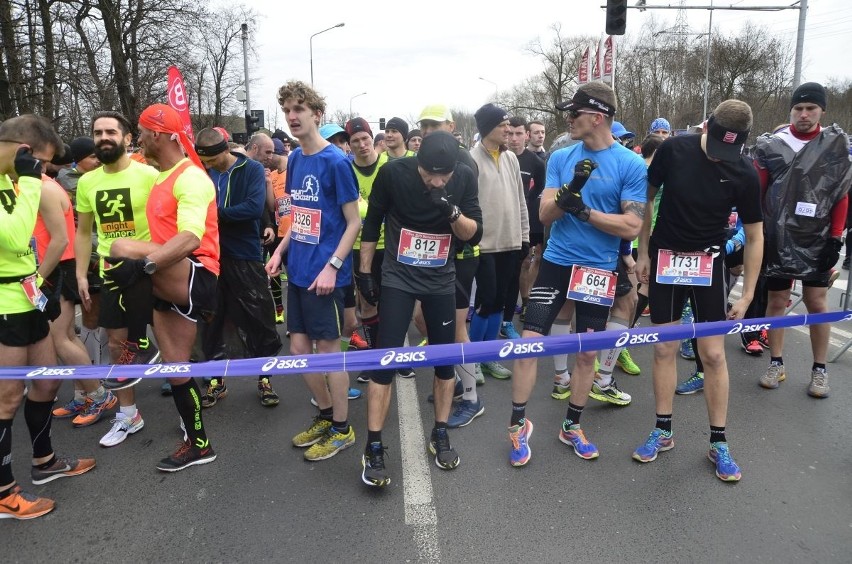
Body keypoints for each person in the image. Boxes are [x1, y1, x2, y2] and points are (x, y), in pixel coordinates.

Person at [508, 82, 646, 467]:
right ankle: (517, 426)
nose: (567, 119)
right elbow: (545, 214)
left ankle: (572, 425)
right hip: (556, 262)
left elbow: (631, 226)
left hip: (597, 270)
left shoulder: (631, 164)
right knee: (528, 343)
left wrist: (586, 212)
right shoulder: (561, 157)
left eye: (574, 113)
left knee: (586, 356)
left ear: (597, 117)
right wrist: (570, 193)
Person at [635, 99, 764, 482]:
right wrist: (642, 251)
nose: (720, 158)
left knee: (713, 354)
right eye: (717, 148)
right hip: (666, 258)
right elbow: (647, 196)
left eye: (731, 151)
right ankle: (663, 429)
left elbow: (755, 236)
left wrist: (746, 294)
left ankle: (718, 442)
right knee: (664, 347)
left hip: (709, 263)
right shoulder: (674, 149)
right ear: (705, 126)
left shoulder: (744, 171)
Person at [357, 130, 482, 487]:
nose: (436, 181)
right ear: (418, 161)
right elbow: (373, 222)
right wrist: (366, 272)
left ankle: (440, 432)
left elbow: (474, 233)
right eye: (430, 174)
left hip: (441, 280)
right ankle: (374, 445)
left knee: (444, 363)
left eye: (444, 176)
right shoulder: (394, 173)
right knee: (386, 362)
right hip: (398, 276)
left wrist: (451, 210)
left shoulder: (465, 176)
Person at [103, 103, 219, 471]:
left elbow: (188, 237)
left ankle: (135, 345)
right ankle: (199, 444)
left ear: (156, 134)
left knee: (120, 248)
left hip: (196, 273)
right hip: (170, 279)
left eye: (141, 132)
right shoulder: (159, 176)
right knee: (177, 369)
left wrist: (143, 265)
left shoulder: (191, 177)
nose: (138, 140)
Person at [0, 115, 96, 520]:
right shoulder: (22, 179)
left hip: (26, 293)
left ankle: (44, 461)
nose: (43, 171)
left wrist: (38, 281)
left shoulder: (11, 178)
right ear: (24, 151)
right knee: (7, 397)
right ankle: (4, 493)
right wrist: (33, 182)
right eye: (40, 162)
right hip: (3, 301)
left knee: (46, 381)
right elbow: (15, 235)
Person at [265, 80, 361, 462]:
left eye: (299, 110)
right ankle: (324, 415)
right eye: (287, 110)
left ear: (316, 114)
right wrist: (280, 251)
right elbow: (302, 219)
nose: (292, 117)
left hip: (327, 276)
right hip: (299, 272)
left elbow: (353, 223)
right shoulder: (296, 160)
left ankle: (342, 428)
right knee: (299, 349)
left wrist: (332, 268)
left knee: (327, 350)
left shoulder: (336, 162)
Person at [72, 111, 160, 447]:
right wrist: (81, 273)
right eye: (98, 132)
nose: (103, 137)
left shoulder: (149, 175)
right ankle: (129, 415)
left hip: (151, 266)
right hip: (111, 271)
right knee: (116, 344)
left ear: (127, 138)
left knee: (171, 342)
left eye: (111, 131)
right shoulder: (87, 182)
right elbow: (83, 232)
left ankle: (187, 411)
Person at [757, 82, 851, 398]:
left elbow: (841, 195)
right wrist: (759, 235)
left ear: (822, 110)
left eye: (811, 108)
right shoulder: (773, 145)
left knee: (817, 302)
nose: (804, 114)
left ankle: (819, 369)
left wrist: (836, 239)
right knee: (777, 301)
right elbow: (760, 191)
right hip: (780, 238)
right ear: (791, 111)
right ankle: (776, 362)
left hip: (818, 239)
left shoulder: (834, 145)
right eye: (798, 108)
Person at [194, 128, 283, 408]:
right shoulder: (202, 172)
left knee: (258, 317)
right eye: (203, 162)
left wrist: (211, 216)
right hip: (208, 256)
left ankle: (265, 378)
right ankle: (215, 380)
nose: (206, 166)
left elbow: (253, 208)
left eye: (210, 160)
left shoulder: (251, 169)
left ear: (223, 151)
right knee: (210, 320)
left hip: (244, 255)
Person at [469, 104, 529, 380]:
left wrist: (525, 236)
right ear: (487, 128)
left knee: (501, 302)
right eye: (502, 124)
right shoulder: (471, 160)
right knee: (485, 300)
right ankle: (473, 359)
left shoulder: (511, 159)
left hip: (511, 242)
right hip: (484, 245)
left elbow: (520, 201)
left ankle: (490, 357)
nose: (508, 129)